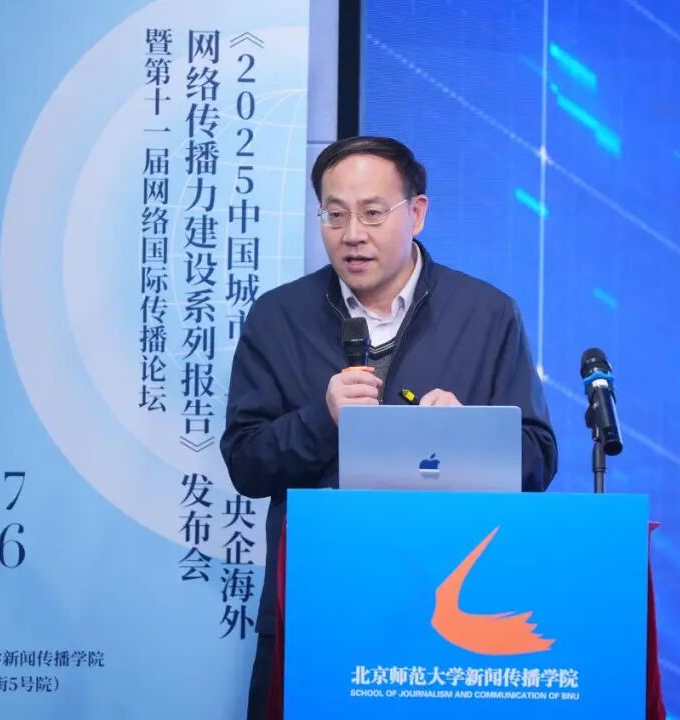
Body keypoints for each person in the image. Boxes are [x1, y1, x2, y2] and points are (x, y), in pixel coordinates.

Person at [219, 135, 558, 720]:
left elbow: (538, 458)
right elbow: (246, 464)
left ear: (417, 213)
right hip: (317, 605)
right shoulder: (278, 316)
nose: (352, 234)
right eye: (335, 214)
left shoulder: (485, 313)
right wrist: (321, 420)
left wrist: (470, 436)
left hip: (446, 619)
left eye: (373, 213)